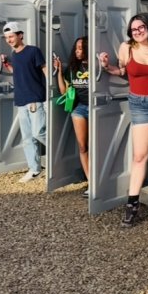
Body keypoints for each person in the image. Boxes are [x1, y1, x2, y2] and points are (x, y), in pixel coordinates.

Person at [98, 14, 148, 227]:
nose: (138, 31)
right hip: (141, 104)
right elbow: (123, 72)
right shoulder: (126, 48)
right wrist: (106, 67)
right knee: (140, 156)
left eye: (141, 27)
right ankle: (132, 205)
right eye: (133, 29)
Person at [0, 21, 49, 183]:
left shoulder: (33, 51)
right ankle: (35, 169)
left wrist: (52, 90)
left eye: (11, 36)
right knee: (28, 137)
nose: (9, 40)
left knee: (38, 132)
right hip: (21, 100)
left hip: (35, 99)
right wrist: (7, 64)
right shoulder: (14, 55)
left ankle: (59, 157)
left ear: (20, 35)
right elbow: (17, 72)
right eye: (7, 37)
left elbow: (44, 69)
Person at [53, 36, 90, 196]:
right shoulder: (73, 68)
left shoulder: (95, 66)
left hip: (96, 107)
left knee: (97, 147)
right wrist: (59, 72)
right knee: (83, 146)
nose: (77, 51)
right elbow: (64, 92)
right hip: (79, 108)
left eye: (81, 48)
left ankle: (101, 181)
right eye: (76, 48)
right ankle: (91, 182)